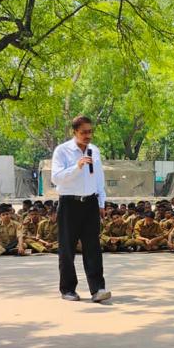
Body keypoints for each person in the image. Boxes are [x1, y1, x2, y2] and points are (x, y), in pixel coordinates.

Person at [50, 115, 109, 303]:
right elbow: (56, 178)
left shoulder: (95, 150)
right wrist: (77, 166)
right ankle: (68, 289)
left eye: (90, 131)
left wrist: (101, 203)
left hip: (91, 203)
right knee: (67, 248)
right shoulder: (62, 151)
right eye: (83, 132)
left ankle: (97, 289)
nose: (88, 136)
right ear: (74, 132)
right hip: (69, 203)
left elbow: (99, 178)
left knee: (93, 247)